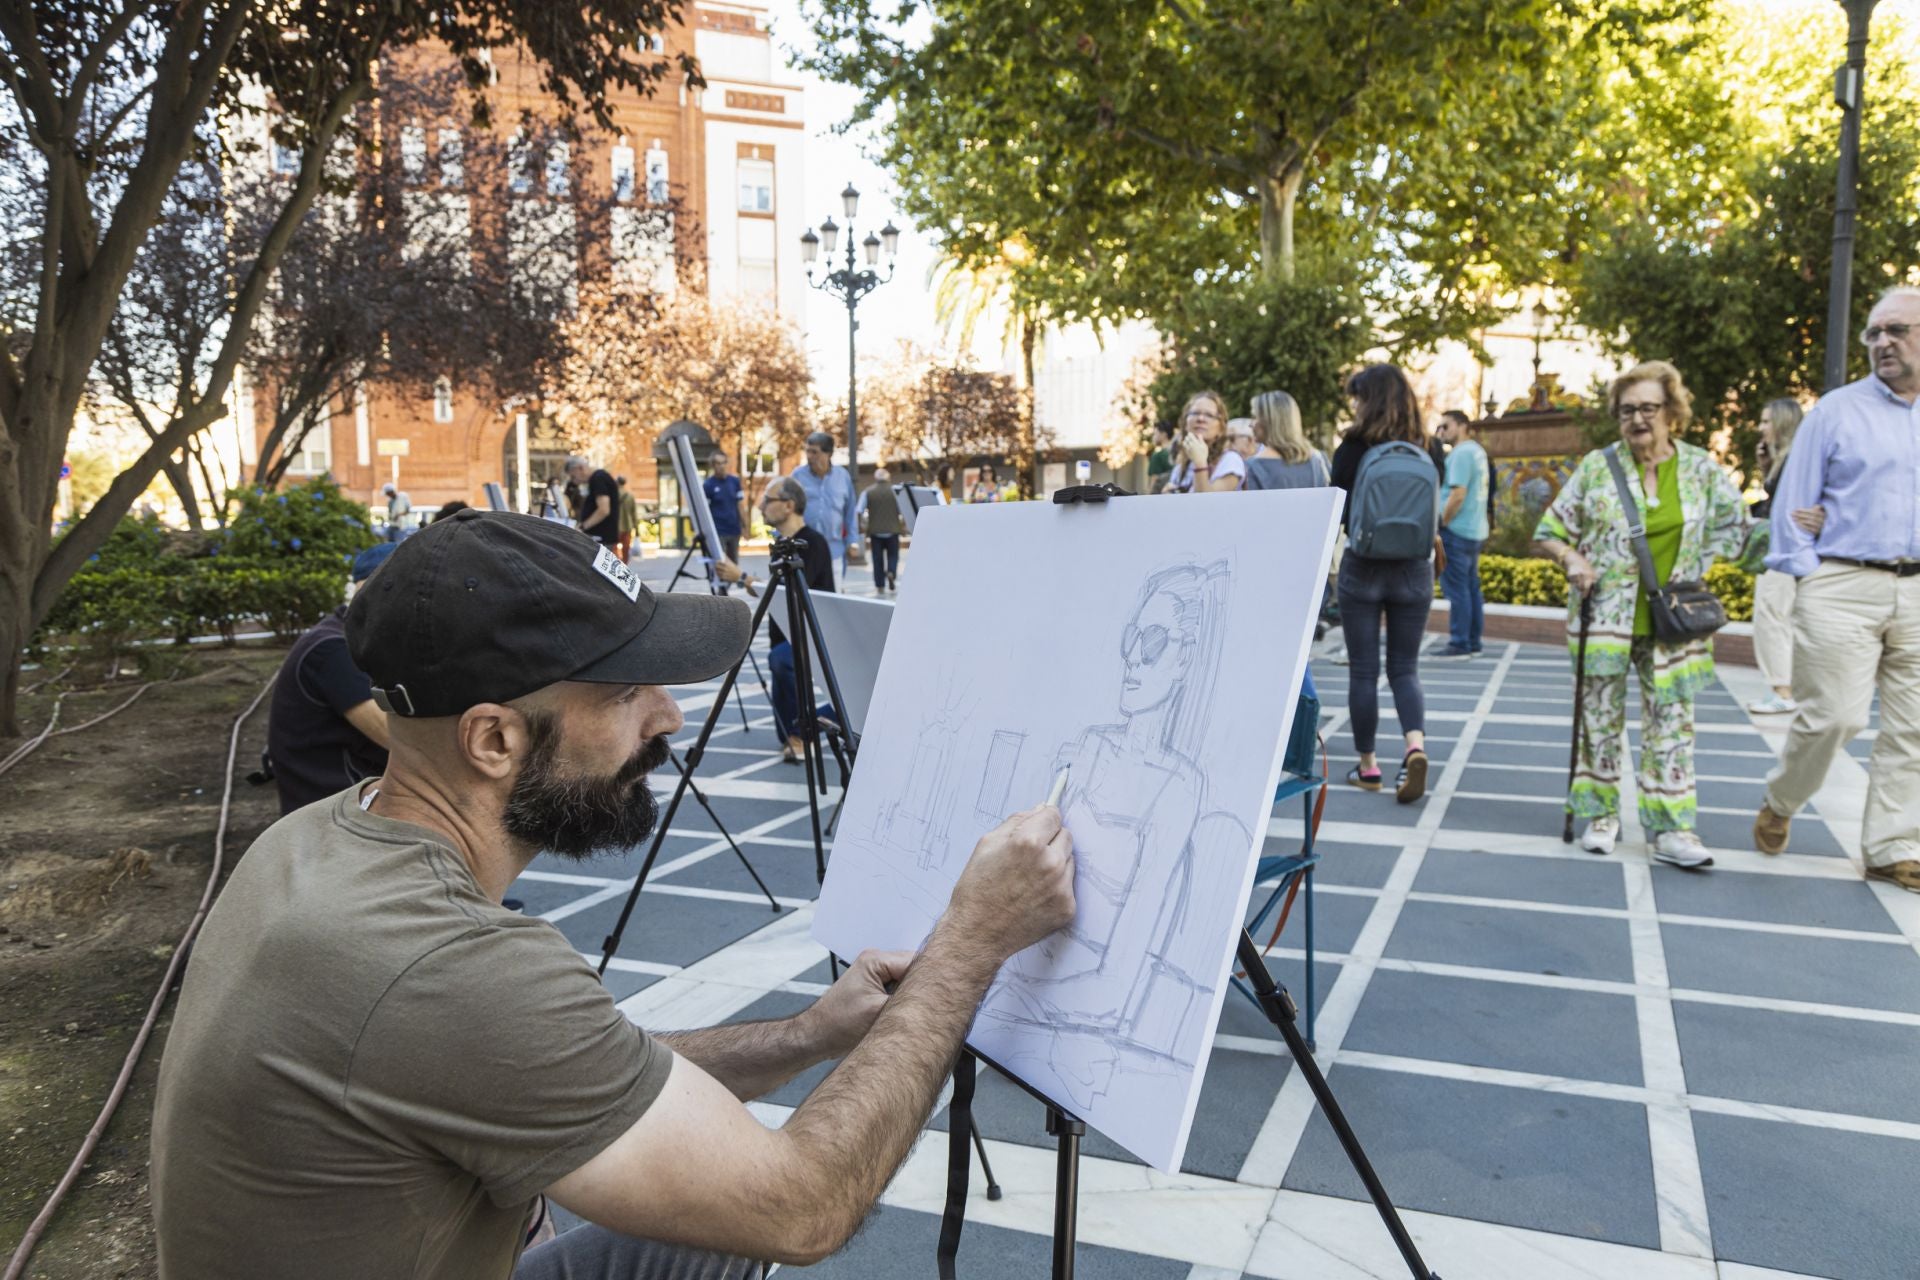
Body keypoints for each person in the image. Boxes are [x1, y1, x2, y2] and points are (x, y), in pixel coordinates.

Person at [149, 507, 1076, 1280]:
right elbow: (802, 1208)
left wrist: (811, 1035)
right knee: (742, 1213)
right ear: (494, 741)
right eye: (629, 688)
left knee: (693, 1242)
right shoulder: (447, 967)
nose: (670, 714)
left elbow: (578, 1065)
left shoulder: (317, 835)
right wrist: (972, 940)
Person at [1535, 359, 1763, 870]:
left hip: (1675, 622)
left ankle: (1673, 828)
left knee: (1672, 726)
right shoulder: (1598, 467)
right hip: (1605, 617)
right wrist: (1572, 557)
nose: (1638, 419)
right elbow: (1550, 527)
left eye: (1648, 409)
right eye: (1627, 411)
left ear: (1672, 413)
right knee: (1599, 721)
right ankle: (1600, 814)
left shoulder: (1702, 469)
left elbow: (1743, 534)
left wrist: (1800, 527)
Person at [1754, 286, 1920, 892]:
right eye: (1875, 333)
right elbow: (1793, 505)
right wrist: (1811, 572)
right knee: (1836, 718)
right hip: (1844, 580)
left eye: (1898, 330)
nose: (1882, 343)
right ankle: (1783, 797)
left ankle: (1890, 845)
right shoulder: (1836, 412)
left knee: (1913, 728)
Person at [1330, 364, 1444, 802]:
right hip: (1414, 568)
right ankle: (1414, 745)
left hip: (1363, 566)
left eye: (1357, 397)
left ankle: (1369, 766)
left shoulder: (1353, 447)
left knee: (1364, 670)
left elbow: (1337, 508)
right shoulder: (1429, 446)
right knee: (1404, 668)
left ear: (1368, 399)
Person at [264, 542, 398, 815]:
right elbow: (398, 739)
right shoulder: (331, 650)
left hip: (348, 799)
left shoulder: (356, 638)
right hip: (332, 814)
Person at [716, 477, 835, 764]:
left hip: (811, 634)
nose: (761, 506)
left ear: (789, 505)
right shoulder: (783, 544)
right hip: (785, 632)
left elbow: (789, 593)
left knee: (782, 660)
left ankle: (808, 728)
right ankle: (796, 731)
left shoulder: (812, 542)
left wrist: (742, 578)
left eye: (768, 500)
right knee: (778, 663)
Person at [1746, 400, 1810, 714]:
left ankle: (1782, 692)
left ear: (1782, 424)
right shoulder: (1786, 459)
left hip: (1787, 551)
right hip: (1787, 550)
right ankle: (1785, 690)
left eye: (1767, 421)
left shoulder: (1796, 459)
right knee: (1779, 617)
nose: (1761, 427)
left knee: (1771, 616)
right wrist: (1765, 468)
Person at [1432, 408, 1490, 659]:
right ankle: (1473, 640)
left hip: (1457, 529)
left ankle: (1460, 642)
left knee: (1458, 589)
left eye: (1446, 426)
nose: (1441, 432)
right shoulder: (1477, 451)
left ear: (1462, 425)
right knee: (1470, 587)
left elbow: (1458, 494)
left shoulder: (1461, 454)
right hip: (1475, 529)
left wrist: (1442, 524)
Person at [789, 431, 855, 577]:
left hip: (834, 551)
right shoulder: (797, 476)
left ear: (829, 454)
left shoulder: (842, 476)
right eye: (807, 451)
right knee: (804, 598)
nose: (809, 456)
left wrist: (852, 541)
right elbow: (786, 508)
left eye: (815, 452)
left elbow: (850, 512)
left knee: (833, 598)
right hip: (804, 552)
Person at [1242, 390, 1329, 491]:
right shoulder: (1318, 460)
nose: (1251, 424)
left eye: (1254, 417)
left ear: (1268, 421)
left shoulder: (1254, 467)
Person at [1165, 390, 1245, 494]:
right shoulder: (1181, 468)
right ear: (1185, 423)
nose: (1201, 419)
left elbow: (1207, 505)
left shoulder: (1230, 461)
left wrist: (1200, 463)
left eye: (1209, 415)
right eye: (1195, 413)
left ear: (1221, 428)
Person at [857, 466, 903, 593]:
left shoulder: (868, 492)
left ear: (875, 478)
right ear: (888, 477)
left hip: (875, 531)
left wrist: (860, 526)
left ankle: (880, 585)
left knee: (877, 559)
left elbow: (859, 510)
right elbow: (902, 509)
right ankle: (891, 572)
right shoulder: (895, 491)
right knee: (893, 556)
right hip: (893, 529)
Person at [565, 455, 621, 550]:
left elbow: (604, 510)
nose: (574, 481)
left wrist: (583, 527)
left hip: (601, 538)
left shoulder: (598, 478)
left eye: (573, 476)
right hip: (600, 538)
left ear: (580, 468)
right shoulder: (596, 479)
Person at [702, 452, 746, 565]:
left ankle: (730, 583)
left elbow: (740, 505)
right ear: (713, 465)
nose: (722, 466)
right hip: (718, 530)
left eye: (724, 463)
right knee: (720, 562)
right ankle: (720, 583)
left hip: (734, 529)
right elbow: (705, 511)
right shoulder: (708, 485)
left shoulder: (735, 482)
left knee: (734, 563)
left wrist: (745, 525)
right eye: (718, 463)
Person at [1146, 421, 1175, 494]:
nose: (1153, 437)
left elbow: (1154, 481)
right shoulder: (1179, 455)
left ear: (1163, 434)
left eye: (1155, 434)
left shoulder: (1157, 456)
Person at [616, 476, 640, 564]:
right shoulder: (630, 496)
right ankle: (625, 565)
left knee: (614, 547)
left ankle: (616, 564)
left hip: (615, 526)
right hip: (627, 525)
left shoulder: (612, 495)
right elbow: (634, 514)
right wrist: (636, 528)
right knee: (626, 548)